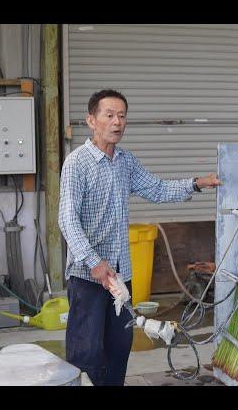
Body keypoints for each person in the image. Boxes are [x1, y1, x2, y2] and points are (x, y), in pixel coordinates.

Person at [58, 89, 221, 386]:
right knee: (87, 352)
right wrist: (94, 262)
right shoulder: (77, 163)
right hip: (88, 277)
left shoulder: (125, 161)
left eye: (122, 115)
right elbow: (67, 220)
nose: (117, 122)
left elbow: (157, 189)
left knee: (119, 349)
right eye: (109, 115)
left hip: (120, 277)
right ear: (91, 120)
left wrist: (197, 184)